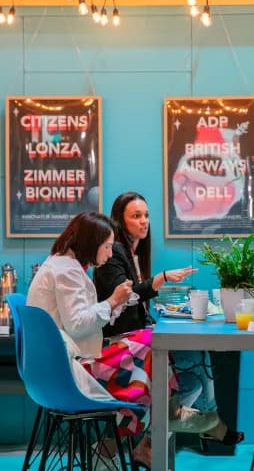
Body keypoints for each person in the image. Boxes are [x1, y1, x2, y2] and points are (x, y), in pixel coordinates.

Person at [26, 211, 218, 471]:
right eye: (106, 246)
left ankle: (150, 425)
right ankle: (158, 420)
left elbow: (82, 320)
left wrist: (116, 302)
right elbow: (80, 324)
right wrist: (113, 300)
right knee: (149, 347)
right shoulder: (66, 271)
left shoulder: (60, 264)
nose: (109, 252)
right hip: (68, 372)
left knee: (146, 348)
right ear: (90, 243)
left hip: (52, 370)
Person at [93, 191, 245, 449]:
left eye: (146, 216)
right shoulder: (115, 252)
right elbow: (125, 295)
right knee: (194, 362)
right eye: (136, 216)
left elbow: (136, 301)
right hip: (119, 344)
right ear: (120, 220)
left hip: (136, 338)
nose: (144, 221)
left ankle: (160, 436)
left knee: (196, 359)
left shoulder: (133, 253)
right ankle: (200, 425)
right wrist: (161, 278)